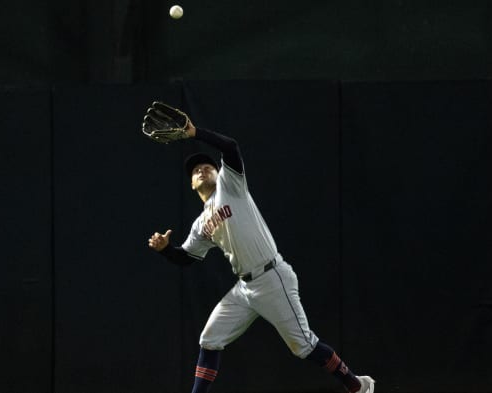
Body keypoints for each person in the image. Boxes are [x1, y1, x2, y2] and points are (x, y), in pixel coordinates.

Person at [147, 119, 374, 393]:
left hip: (272, 277)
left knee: (304, 346)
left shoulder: (230, 187)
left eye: (208, 166)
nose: (202, 170)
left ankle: (358, 386)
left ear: (219, 173)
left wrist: (196, 133)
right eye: (196, 170)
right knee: (210, 338)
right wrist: (165, 250)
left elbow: (230, 147)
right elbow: (187, 257)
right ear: (192, 184)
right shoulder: (199, 225)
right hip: (244, 288)